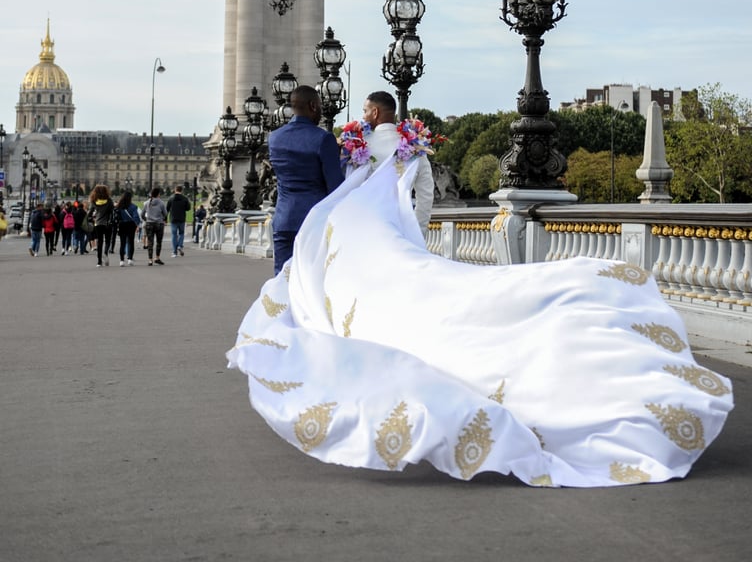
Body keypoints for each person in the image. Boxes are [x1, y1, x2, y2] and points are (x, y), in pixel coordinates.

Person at [227, 99, 733, 488]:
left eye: (364, 109)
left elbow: (338, 190)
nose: (358, 114)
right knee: (459, 305)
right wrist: (413, 241)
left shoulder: (352, 143)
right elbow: (421, 197)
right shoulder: (407, 145)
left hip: (348, 237)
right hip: (394, 244)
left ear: (374, 113)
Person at [267, 85, 344, 275]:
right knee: (312, 281)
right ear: (313, 106)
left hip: (284, 219)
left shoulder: (274, 138)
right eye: (319, 105)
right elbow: (336, 187)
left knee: (283, 280)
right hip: (314, 221)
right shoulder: (323, 139)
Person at [361, 91, 435, 237]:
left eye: (365, 111)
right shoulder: (416, 146)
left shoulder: (360, 144)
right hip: (402, 229)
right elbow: (426, 195)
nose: (363, 116)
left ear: (375, 112)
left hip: (367, 227)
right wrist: (417, 232)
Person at [86, 185, 115, 268]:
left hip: (98, 223)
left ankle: (99, 261)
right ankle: (105, 252)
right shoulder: (109, 201)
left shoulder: (94, 201)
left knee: (100, 242)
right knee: (108, 240)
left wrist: (91, 218)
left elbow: (89, 214)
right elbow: (112, 211)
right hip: (108, 223)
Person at [141, 187, 168, 266]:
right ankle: (157, 257)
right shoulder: (161, 203)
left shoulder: (147, 203)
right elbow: (165, 214)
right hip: (159, 224)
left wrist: (146, 219)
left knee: (150, 242)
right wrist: (162, 218)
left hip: (149, 223)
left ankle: (150, 260)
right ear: (158, 194)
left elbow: (142, 214)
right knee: (159, 242)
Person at [115, 190, 140, 267]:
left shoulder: (119, 207)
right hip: (130, 225)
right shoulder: (133, 206)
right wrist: (137, 225)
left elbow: (116, 217)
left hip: (122, 224)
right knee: (130, 242)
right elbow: (136, 217)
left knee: (122, 243)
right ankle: (130, 259)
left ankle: (121, 260)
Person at [166, 185, 191, 258]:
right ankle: (180, 245)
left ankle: (174, 252)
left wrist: (165, 218)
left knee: (174, 235)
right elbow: (188, 208)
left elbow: (167, 209)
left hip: (173, 219)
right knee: (181, 233)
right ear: (181, 190)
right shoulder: (185, 198)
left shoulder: (171, 198)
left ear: (175, 190)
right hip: (181, 218)